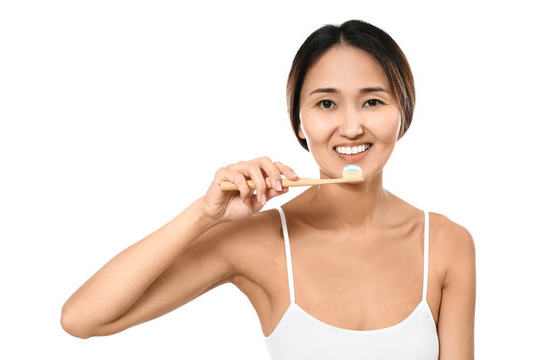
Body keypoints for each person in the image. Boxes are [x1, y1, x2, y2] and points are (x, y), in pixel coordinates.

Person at [61, 19, 476, 359]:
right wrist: (204, 214)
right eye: (326, 104)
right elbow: (82, 319)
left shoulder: (446, 244)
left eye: (372, 101)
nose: (351, 128)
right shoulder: (259, 240)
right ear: (299, 121)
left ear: (403, 113)